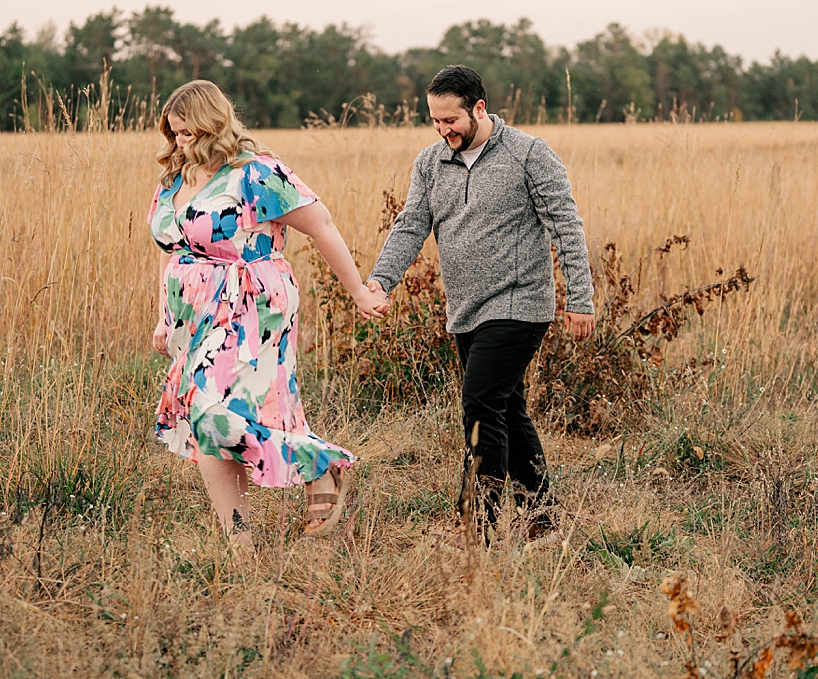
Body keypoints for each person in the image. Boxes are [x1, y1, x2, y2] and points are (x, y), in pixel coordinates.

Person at [147, 80, 387, 558]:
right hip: (192, 314)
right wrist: (161, 316)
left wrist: (359, 290)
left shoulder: (255, 173)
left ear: (212, 123)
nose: (178, 142)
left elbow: (321, 224)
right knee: (210, 424)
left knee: (205, 411)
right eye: (173, 134)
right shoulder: (173, 179)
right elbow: (171, 250)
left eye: (187, 133)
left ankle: (319, 464)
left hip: (252, 305)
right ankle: (242, 547)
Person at [367, 65, 594, 546]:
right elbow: (411, 227)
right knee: (508, 408)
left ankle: (480, 526)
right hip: (465, 308)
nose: (443, 130)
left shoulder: (529, 155)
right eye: (434, 121)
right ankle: (543, 519)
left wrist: (581, 299)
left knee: (480, 403)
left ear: (479, 108)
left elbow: (565, 227)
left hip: (520, 304)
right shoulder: (431, 163)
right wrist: (380, 283)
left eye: (451, 120)